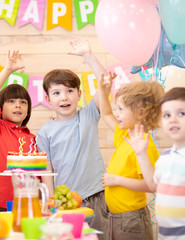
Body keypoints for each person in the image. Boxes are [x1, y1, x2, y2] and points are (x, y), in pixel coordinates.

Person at [36, 39, 115, 239]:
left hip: (95, 195)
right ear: (47, 99)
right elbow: (47, 170)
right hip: (64, 201)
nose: (64, 97)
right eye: (57, 93)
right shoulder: (45, 132)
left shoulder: (88, 115)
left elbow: (105, 84)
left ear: (79, 94)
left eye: (70, 91)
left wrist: (88, 55)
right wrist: (50, 201)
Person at [125, 87, 185, 239]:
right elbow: (152, 185)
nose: (173, 119)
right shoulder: (165, 156)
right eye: (167, 115)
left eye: (181, 113)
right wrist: (141, 154)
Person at [98, 76, 164, 239]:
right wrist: (102, 89)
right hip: (117, 217)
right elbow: (105, 113)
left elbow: (152, 186)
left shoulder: (145, 146)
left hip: (131, 219)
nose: (116, 113)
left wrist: (117, 180)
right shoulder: (125, 135)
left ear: (140, 113)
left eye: (121, 109)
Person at [0, 50, 36, 212]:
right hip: (1, 204)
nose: (18, 105)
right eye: (11, 101)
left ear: (28, 109)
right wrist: (8, 70)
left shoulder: (33, 138)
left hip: (29, 204)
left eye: (23, 102)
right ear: (0, 107)